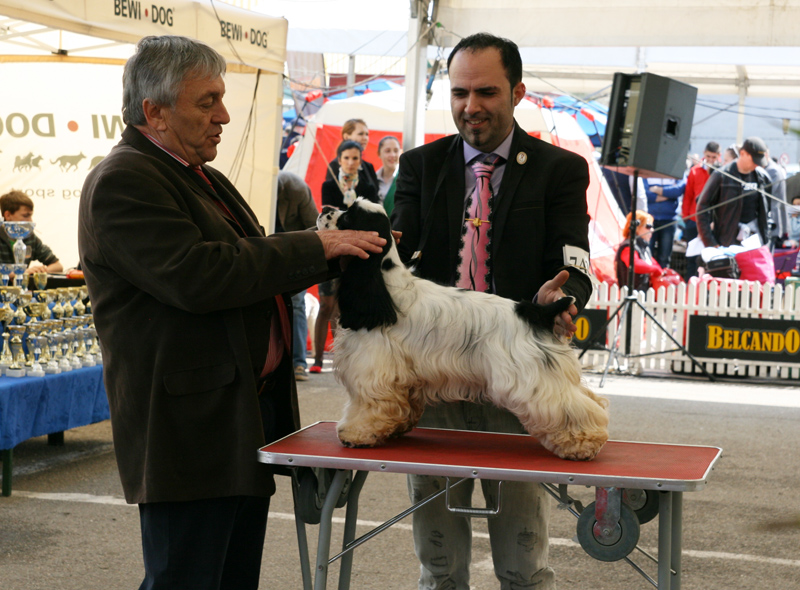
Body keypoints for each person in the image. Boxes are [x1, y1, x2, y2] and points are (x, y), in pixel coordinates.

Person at [77, 35, 386, 590]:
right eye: (207, 102)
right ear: (155, 112)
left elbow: (251, 261)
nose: (223, 116)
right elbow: (200, 275)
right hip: (191, 433)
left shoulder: (197, 173)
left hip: (236, 420)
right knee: (187, 580)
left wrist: (346, 251)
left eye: (221, 99)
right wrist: (318, 247)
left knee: (230, 578)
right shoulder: (124, 180)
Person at [391, 32, 593, 590]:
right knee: (438, 566)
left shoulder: (559, 169)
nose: (470, 106)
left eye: (486, 92)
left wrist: (563, 295)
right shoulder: (419, 166)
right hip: (435, 378)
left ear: (518, 92)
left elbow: (574, 260)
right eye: (460, 93)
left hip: (519, 375)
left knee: (523, 563)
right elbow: (396, 258)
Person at [311, 140, 380, 374]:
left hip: (355, 253)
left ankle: (339, 358)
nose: (351, 162)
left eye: (355, 158)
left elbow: (369, 219)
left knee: (344, 306)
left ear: (360, 161)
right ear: (339, 160)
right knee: (325, 305)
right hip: (331, 250)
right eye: (346, 158)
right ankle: (318, 358)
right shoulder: (329, 184)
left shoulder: (368, 187)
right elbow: (328, 218)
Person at [276, 170, 320, 382]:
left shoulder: (296, 188)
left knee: (296, 304)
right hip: (260, 250)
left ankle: (298, 363)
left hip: (293, 253)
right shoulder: (251, 184)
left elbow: (315, 227)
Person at [697, 137, 773, 248]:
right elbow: (702, 207)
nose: (756, 165)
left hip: (754, 241)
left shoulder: (762, 177)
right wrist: (710, 242)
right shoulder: (721, 175)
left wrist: (766, 238)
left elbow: (767, 210)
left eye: (759, 162)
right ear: (742, 153)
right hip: (726, 242)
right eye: (754, 160)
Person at [0, 190, 64, 274]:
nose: (30, 221)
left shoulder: (30, 237)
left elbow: (57, 266)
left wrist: (38, 272)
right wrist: (21, 273)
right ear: (8, 215)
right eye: (25, 216)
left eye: (30, 215)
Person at [682, 142, 720, 279]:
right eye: (708, 156)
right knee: (692, 258)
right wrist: (686, 217)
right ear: (704, 154)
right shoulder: (695, 171)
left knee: (710, 258)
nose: (710, 160)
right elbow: (688, 195)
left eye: (714, 157)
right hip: (694, 220)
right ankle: (690, 284)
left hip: (712, 222)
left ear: (718, 156)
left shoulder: (720, 172)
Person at [325, 118, 379, 190]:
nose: (365, 138)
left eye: (367, 134)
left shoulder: (368, 167)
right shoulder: (335, 165)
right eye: (360, 134)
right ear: (346, 137)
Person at [615, 210, 663, 291]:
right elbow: (634, 264)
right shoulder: (628, 246)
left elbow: (653, 263)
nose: (652, 230)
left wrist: (660, 270)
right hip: (632, 293)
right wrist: (655, 269)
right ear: (637, 228)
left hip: (643, 293)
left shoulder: (643, 247)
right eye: (648, 226)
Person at [643, 176, 685, 268]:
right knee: (646, 255)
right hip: (649, 220)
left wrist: (656, 189)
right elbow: (645, 193)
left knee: (664, 258)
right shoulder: (647, 173)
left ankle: (662, 276)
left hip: (669, 220)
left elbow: (678, 190)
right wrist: (668, 195)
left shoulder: (676, 172)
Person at [763, 149, 788, 246]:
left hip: (772, 221)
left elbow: (766, 193)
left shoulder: (773, 171)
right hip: (772, 221)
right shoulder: (772, 169)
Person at [375, 135, 402, 214]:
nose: (392, 155)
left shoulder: (405, 178)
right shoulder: (372, 178)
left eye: (396, 151)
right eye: (387, 151)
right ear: (379, 153)